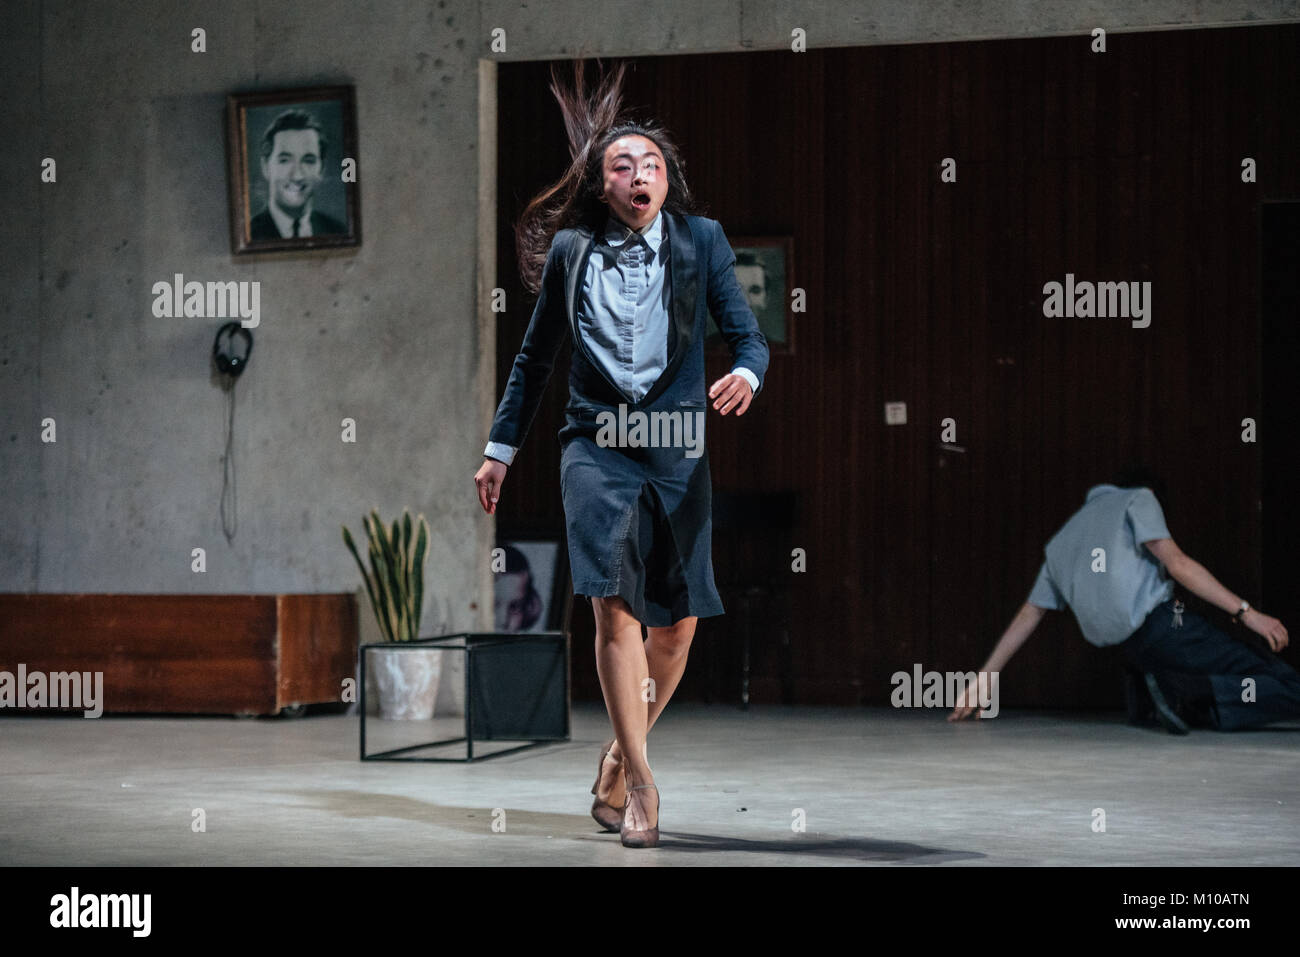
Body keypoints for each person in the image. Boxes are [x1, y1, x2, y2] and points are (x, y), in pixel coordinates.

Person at [473, 61, 769, 847]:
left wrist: (744, 371)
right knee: (615, 604)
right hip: (594, 448)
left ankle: (613, 757)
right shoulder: (572, 252)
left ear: (667, 181)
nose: (641, 173)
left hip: (676, 450)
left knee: (678, 626)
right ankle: (641, 785)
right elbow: (535, 361)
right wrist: (501, 449)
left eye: (653, 164)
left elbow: (746, 335)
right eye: (623, 165)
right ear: (603, 185)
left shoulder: (701, 242)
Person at [948, 466, 1296, 733]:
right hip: (1165, 628)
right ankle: (1185, 690)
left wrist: (985, 677)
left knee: (1244, 688)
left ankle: (1184, 695)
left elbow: (1030, 612)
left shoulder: (1062, 540)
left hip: (1130, 652)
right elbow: (1178, 564)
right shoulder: (1139, 499)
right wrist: (1247, 613)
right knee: (1282, 679)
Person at [248, 109, 347, 241]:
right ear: (266, 166)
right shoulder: (248, 235)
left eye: (308, 161)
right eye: (285, 160)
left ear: (321, 169)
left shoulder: (338, 232)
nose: (297, 176)